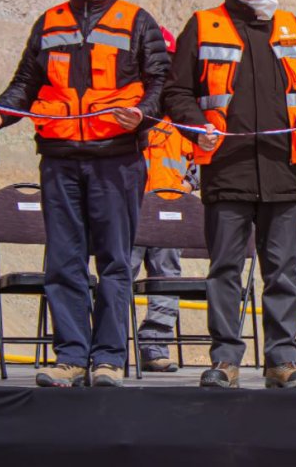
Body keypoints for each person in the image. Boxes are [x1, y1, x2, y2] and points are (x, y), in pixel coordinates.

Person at [0, 0, 169, 387]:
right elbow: (25, 85)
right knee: (64, 262)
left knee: (115, 261)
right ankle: (70, 357)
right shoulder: (48, 23)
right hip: (60, 159)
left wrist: (142, 115)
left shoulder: (137, 21)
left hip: (118, 159)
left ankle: (108, 358)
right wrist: (0, 113)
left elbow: (162, 84)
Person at [166, 0, 296, 389]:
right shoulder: (203, 26)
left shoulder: (291, 27)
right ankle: (225, 360)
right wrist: (196, 123)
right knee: (225, 270)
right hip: (227, 171)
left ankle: (282, 360)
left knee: (283, 272)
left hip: (282, 171)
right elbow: (176, 92)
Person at [133, 26, 193, 373]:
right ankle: (111, 345)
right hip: (131, 212)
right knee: (120, 274)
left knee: (166, 278)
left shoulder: (185, 118)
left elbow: (202, 160)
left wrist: (189, 185)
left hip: (170, 214)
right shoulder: (133, 113)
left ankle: (155, 346)